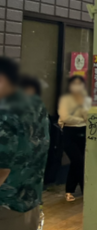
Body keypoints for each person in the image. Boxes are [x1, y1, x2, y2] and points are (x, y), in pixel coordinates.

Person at [0, 58, 49, 230]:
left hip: (6, 205)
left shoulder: (4, 113)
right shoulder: (35, 104)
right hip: (31, 199)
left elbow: (2, 168)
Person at [57, 76, 91, 202]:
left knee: (78, 162)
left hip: (83, 132)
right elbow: (65, 118)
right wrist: (81, 120)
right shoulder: (65, 100)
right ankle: (83, 189)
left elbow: (88, 117)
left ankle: (69, 191)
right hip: (69, 133)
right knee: (78, 161)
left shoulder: (86, 100)